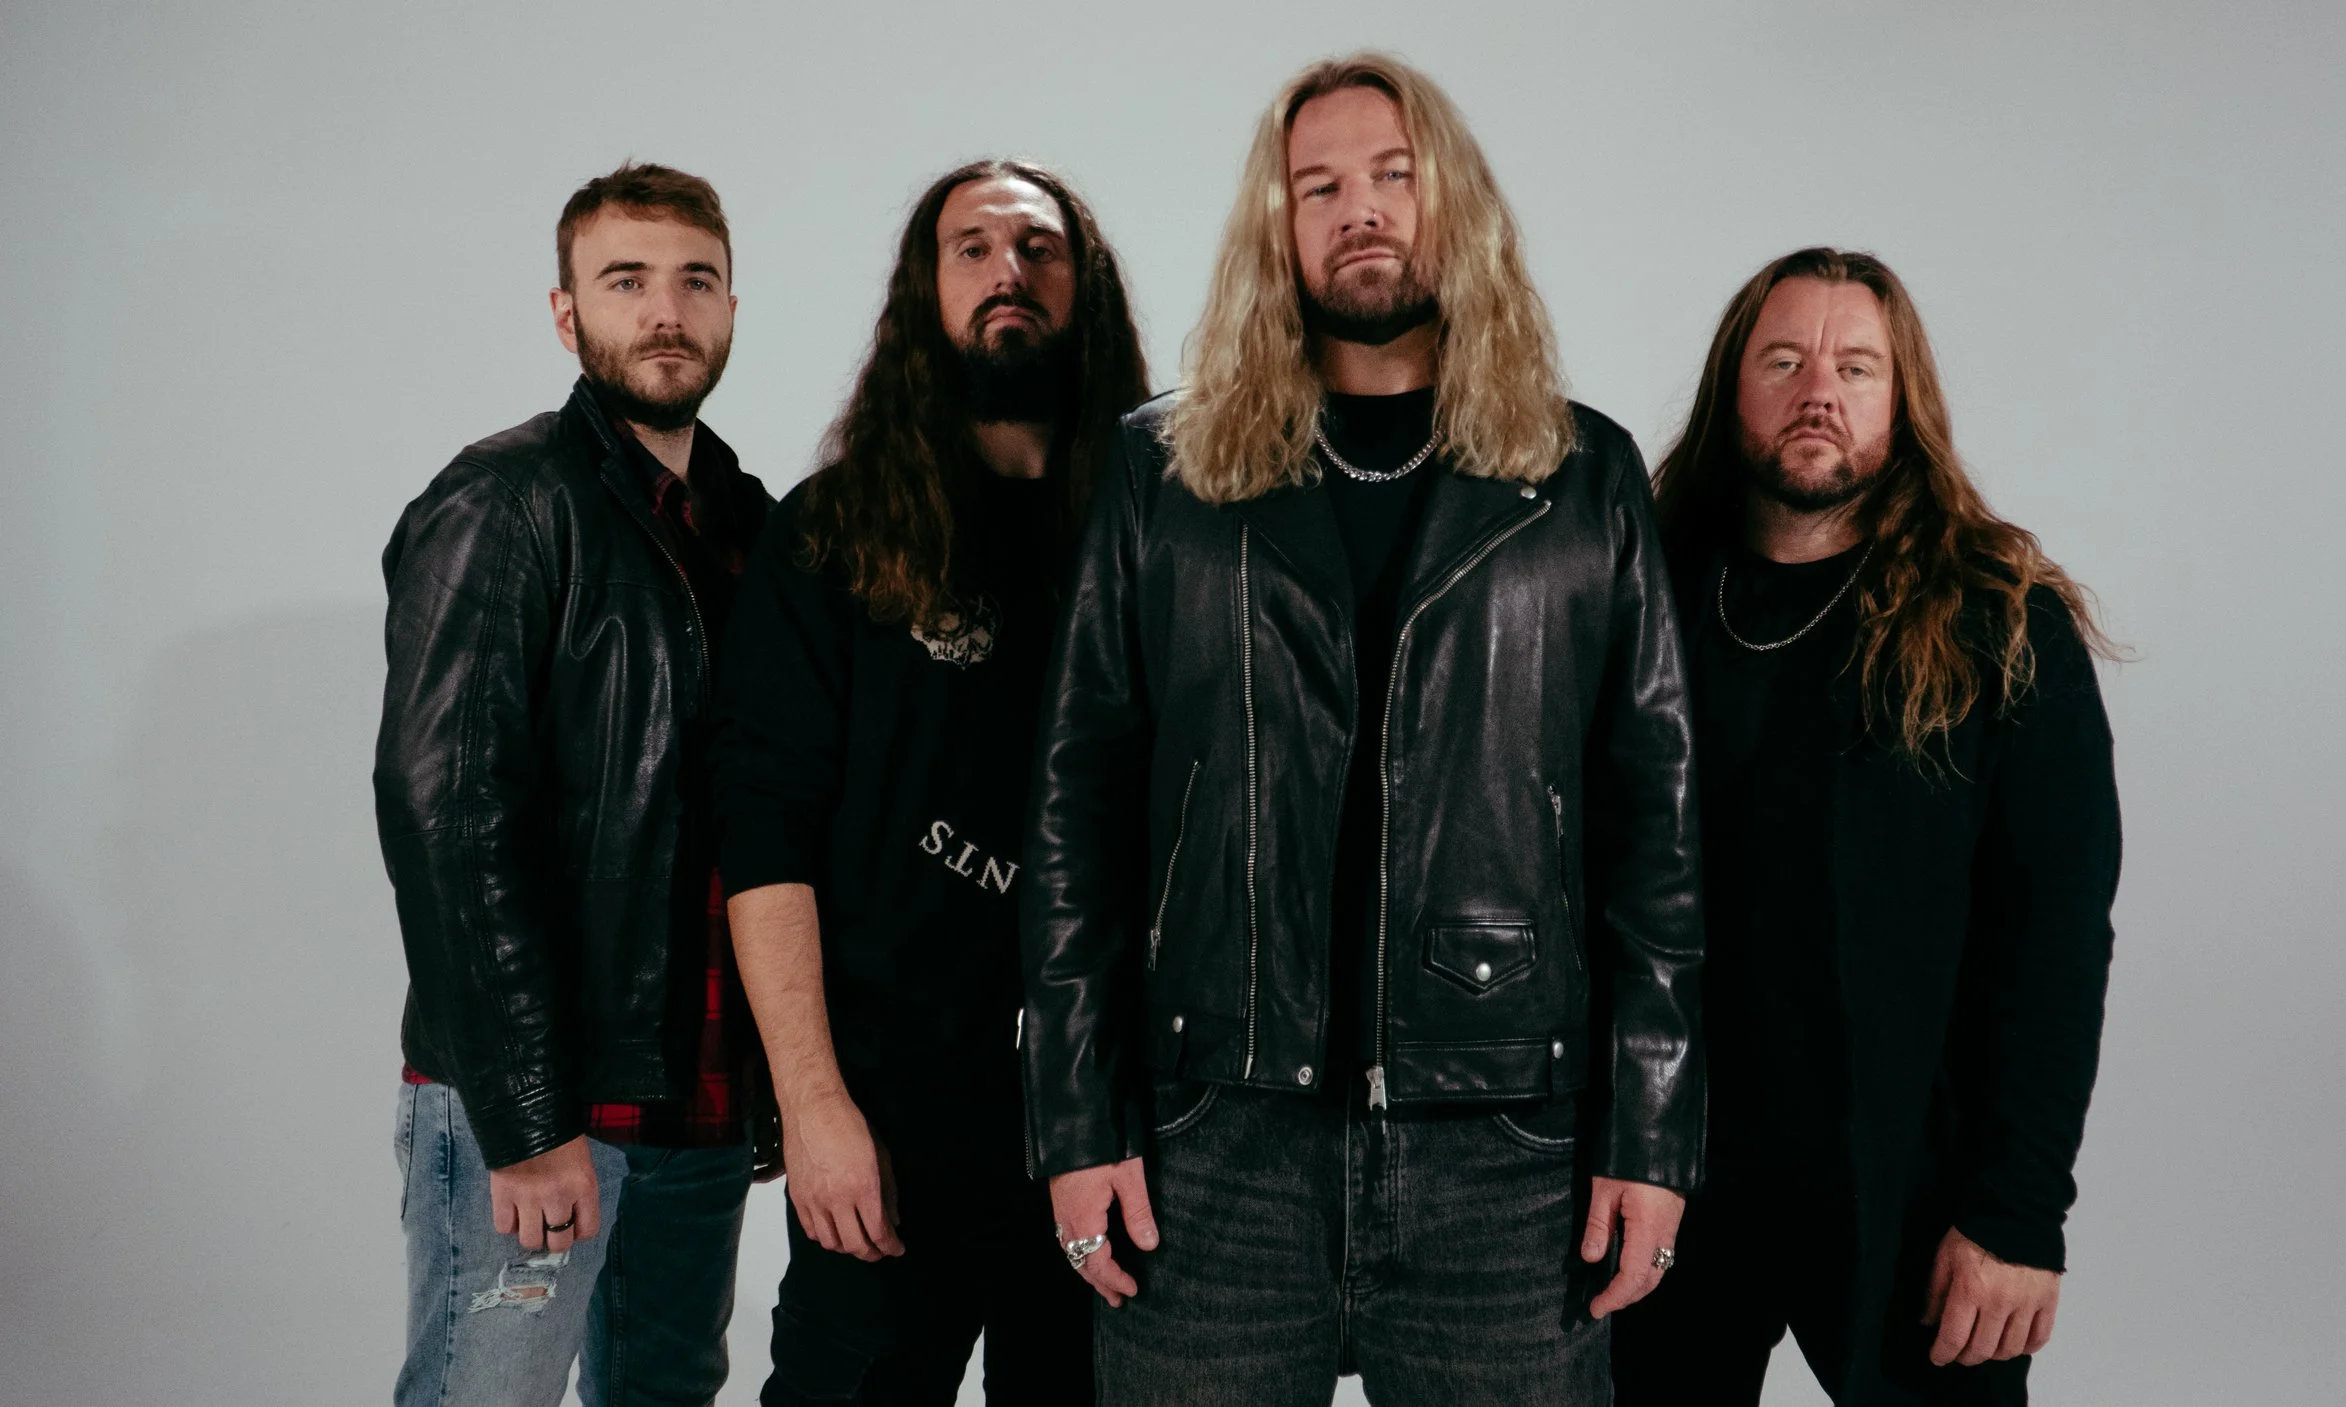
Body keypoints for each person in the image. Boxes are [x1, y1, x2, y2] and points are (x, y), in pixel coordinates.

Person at [1021, 53, 1704, 1406]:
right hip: (1210, 1132)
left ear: (1453, 201)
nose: (1361, 210)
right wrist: (1074, 1117)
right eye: (1318, 185)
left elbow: (1656, 832)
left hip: (1509, 1142)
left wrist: (1654, 1124)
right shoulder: (1167, 472)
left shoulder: (1582, 475)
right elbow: (1072, 811)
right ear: (1275, 227)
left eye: (1394, 174)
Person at [1612, 247, 2123, 1406]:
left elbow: (2053, 942)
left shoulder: (2000, 620)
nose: (1818, 393)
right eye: (1782, 360)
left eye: (1856, 366)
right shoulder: (1642, 594)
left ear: (1903, 402)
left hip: (1909, 1181)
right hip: (1667, 1180)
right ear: (1729, 389)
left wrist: (2016, 1216)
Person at [712, 160, 1148, 1405]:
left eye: (1039, 248)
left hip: (1108, 1135)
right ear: (923, 293)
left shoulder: (1162, 531)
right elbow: (764, 835)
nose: (1009, 272)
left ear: (1087, 289)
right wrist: (812, 1108)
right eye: (972, 248)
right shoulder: (834, 535)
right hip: (887, 1127)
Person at [375, 162, 770, 1407]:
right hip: (544, 1104)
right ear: (566, 314)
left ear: (730, 308)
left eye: (694, 280)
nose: (666, 309)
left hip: (693, 1100)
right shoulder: (506, 500)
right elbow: (444, 814)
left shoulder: (746, 525)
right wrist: (530, 1118)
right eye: (627, 280)